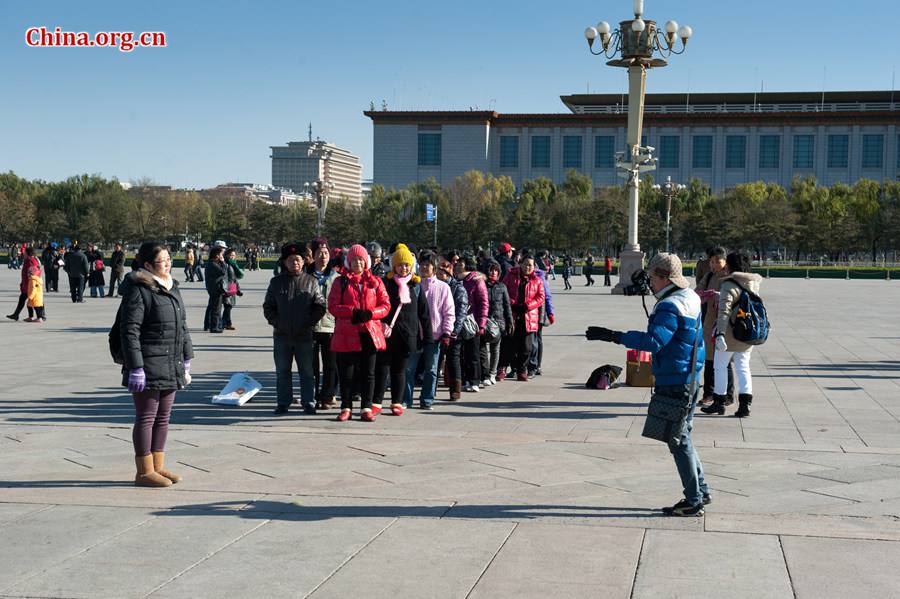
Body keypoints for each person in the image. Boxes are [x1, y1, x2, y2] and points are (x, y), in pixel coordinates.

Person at [585, 252, 709, 516]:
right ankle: (702, 490)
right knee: (684, 435)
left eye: (652, 276)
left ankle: (694, 499)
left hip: (675, 378)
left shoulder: (669, 305)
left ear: (663, 278)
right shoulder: (690, 297)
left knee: (678, 441)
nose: (649, 282)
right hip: (689, 375)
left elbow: (654, 342)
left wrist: (614, 336)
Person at [119, 241, 194, 488]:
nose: (168, 264)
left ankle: (158, 466)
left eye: (170, 259)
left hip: (170, 362)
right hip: (148, 364)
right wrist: (136, 366)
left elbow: (182, 326)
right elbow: (129, 330)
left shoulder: (172, 288)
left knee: (164, 417)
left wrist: (187, 357)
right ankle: (144, 471)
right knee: (146, 417)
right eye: (163, 261)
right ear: (149, 265)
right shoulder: (139, 289)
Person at [328, 244, 391, 422]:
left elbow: (385, 305)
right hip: (347, 332)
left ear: (366, 261)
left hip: (369, 332)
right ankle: (346, 406)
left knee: (368, 373)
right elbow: (332, 306)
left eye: (361, 259)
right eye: (354, 259)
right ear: (348, 261)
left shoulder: (375, 282)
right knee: (347, 373)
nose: (358, 263)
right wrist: (352, 312)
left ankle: (366, 407)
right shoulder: (340, 282)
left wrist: (371, 314)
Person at [263, 242, 327, 415]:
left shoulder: (311, 282)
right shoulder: (276, 283)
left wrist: (308, 323)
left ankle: (309, 402)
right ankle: (283, 402)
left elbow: (320, 306)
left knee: (307, 372)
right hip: (282, 335)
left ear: (303, 262)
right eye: (291, 260)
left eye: (298, 260)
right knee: (282, 371)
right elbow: (268, 307)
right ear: (285, 262)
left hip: (304, 336)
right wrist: (278, 322)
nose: (295, 263)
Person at [372, 244, 432, 415]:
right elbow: (378, 306)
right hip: (387, 335)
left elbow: (424, 314)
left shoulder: (416, 286)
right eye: (400, 264)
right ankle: (376, 402)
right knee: (382, 369)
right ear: (394, 265)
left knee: (399, 371)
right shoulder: (386, 283)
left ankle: (397, 402)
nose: (403, 268)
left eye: (406, 265)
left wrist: (427, 338)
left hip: (407, 336)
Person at [703, 252, 763, 418]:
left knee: (720, 366)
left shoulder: (728, 284)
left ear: (729, 265)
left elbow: (724, 312)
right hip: (747, 333)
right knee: (743, 368)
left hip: (729, 334)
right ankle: (745, 406)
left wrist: (720, 333)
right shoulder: (753, 283)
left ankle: (719, 402)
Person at [404, 249, 454, 410]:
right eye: (422, 265)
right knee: (409, 369)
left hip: (434, 336)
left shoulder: (443, 287)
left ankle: (427, 399)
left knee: (431, 370)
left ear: (435, 267)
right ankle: (406, 399)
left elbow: (449, 312)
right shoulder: (412, 286)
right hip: (414, 335)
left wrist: (446, 332)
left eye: (428, 265)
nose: (425, 268)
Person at [695, 246, 734, 408]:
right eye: (712, 261)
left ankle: (729, 395)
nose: (714, 264)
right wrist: (702, 295)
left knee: (725, 361)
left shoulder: (730, 277)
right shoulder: (709, 275)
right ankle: (708, 394)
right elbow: (697, 291)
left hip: (725, 324)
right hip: (709, 322)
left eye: (718, 261)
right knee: (709, 360)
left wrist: (719, 296)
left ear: (725, 261)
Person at [499, 254, 545, 382]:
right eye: (525, 264)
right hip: (512, 314)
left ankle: (522, 370)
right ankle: (502, 368)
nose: (528, 267)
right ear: (520, 264)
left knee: (526, 347)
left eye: (530, 265)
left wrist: (527, 305)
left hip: (528, 316)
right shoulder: (510, 275)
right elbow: (503, 290)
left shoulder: (537, 280)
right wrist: (512, 303)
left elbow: (541, 297)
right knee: (508, 344)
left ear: (534, 267)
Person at [307, 238, 340, 409]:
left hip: (331, 325)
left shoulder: (337, 277)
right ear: (313, 255)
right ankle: (313, 395)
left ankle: (328, 396)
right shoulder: (305, 275)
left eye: (326, 253)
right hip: (310, 326)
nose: (323, 257)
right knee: (311, 365)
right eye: (319, 253)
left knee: (330, 365)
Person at [437, 254, 469, 399]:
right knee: (436, 360)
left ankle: (455, 389)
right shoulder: (435, 286)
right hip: (437, 328)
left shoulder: (458, 289)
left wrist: (454, 331)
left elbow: (462, 312)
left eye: (441, 272)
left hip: (453, 331)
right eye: (437, 272)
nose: (438, 275)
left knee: (453, 358)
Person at [482, 259, 512, 385]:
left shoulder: (502, 286)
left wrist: (509, 321)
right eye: (491, 270)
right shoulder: (482, 285)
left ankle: (492, 373)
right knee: (482, 349)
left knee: (495, 349)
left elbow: (507, 305)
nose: (493, 273)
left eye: (496, 270)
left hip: (499, 322)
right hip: (484, 320)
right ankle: (485, 372)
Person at [7, 247, 41, 321]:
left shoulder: (30, 261)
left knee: (33, 301)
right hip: (27, 284)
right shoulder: (30, 260)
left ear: (28, 253)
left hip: (30, 285)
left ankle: (40, 316)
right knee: (25, 300)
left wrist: (30, 283)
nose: (23, 253)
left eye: (25, 252)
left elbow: (33, 272)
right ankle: (20, 315)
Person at [204, 247, 227, 333]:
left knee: (213, 307)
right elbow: (223, 272)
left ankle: (209, 325)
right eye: (221, 254)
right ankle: (214, 327)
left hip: (214, 288)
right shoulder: (213, 264)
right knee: (216, 309)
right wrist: (223, 262)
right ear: (217, 255)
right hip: (215, 289)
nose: (222, 256)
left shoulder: (212, 263)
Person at [222, 247, 244, 331]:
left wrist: (238, 290)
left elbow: (235, 278)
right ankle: (225, 323)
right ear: (226, 255)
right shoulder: (225, 264)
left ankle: (225, 323)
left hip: (232, 287)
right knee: (228, 306)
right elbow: (224, 278)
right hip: (227, 287)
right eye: (231, 255)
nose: (232, 257)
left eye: (234, 255)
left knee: (230, 306)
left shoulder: (233, 265)